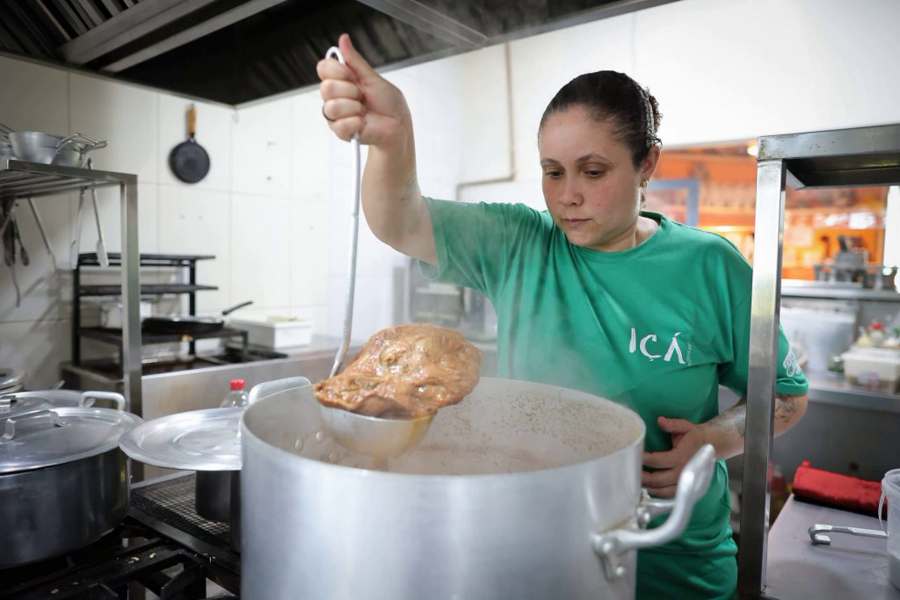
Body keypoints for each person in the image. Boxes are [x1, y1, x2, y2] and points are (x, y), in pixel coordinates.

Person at [317, 33, 809, 599]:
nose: (567, 196)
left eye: (593, 172)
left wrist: (714, 439)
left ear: (647, 163)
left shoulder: (709, 266)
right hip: (536, 550)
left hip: (673, 563)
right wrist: (392, 141)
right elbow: (399, 220)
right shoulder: (520, 243)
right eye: (553, 172)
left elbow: (787, 396)